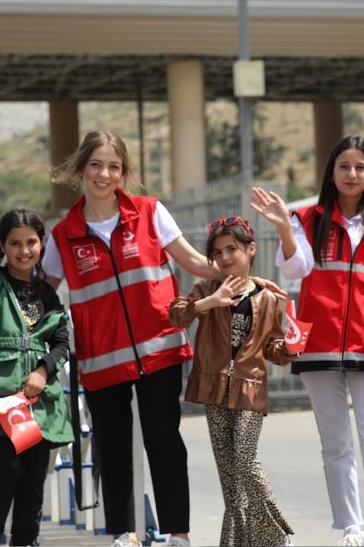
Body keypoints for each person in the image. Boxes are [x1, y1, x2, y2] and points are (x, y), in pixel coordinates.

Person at [42, 130, 222, 547]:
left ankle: (178, 533)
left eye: (114, 167)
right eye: (96, 165)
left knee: (164, 442)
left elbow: (193, 260)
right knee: (113, 448)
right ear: (81, 170)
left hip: (159, 350)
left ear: (124, 172)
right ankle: (123, 533)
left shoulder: (150, 212)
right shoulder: (63, 235)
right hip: (102, 360)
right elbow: (42, 291)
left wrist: (230, 275)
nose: (104, 174)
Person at [251, 134, 364, 547]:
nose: (352, 174)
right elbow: (293, 269)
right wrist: (286, 230)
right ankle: (351, 528)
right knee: (336, 444)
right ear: (332, 172)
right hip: (318, 345)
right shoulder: (307, 218)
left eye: (360, 167)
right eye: (344, 166)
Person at [169, 215, 296, 547]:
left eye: (232, 250)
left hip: (250, 388)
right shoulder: (206, 289)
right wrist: (210, 302)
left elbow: (274, 350)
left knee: (244, 459)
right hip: (214, 389)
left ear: (250, 249)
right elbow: (177, 315)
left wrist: (291, 348)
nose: (225, 258)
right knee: (229, 479)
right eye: (218, 253)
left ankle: (275, 536)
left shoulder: (268, 298)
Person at [0, 189, 73, 547]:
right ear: (3, 246)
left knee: (34, 477)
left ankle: (26, 541)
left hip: (38, 401)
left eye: (31, 242)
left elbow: (61, 343)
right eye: (15, 243)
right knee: (7, 470)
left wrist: (42, 372)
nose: (24, 250)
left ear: (42, 244)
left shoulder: (49, 295)